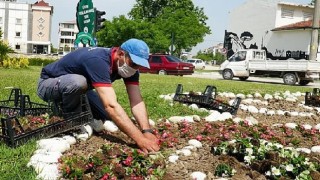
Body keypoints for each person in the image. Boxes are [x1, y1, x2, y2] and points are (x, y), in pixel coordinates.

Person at [37, 38, 160, 153]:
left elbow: (136, 101)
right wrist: (140, 139)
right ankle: (70, 117)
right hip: (49, 83)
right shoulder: (98, 60)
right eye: (134, 63)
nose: (136, 68)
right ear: (121, 54)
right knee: (78, 82)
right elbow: (111, 105)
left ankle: (77, 105)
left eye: (139, 65)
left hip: (82, 90)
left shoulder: (129, 68)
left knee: (108, 116)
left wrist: (146, 131)